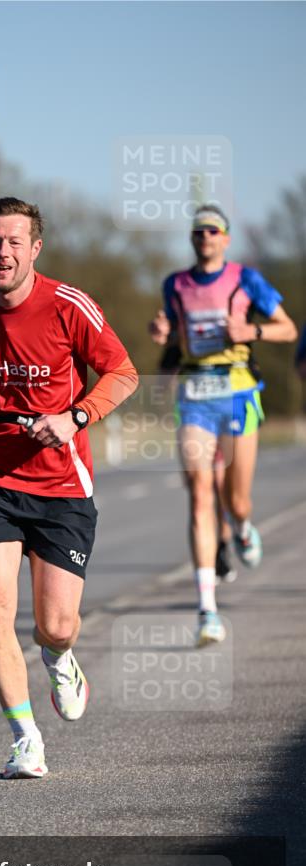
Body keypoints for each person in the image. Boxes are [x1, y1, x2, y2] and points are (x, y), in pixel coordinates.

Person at [0, 196, 138, 778]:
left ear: (35, 248)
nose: (2, 252)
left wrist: (76, 417)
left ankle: (60, 657)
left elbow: (124, 373)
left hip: (63, 479)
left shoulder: (68, 306)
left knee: (55, 624)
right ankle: (25, 738)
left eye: (14, 242)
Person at [149, 204, 297, 646]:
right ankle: (207, 611)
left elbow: (287, 329)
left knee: (237, 502)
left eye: (213, 231)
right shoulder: (174, 284)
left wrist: (250, 332)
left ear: (226, 239)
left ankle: (245, 529)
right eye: (198, 232)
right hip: (195, 394)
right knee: (199, 493)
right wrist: (162, 331)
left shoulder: (246, 279)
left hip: (238, 393)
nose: (205, 238)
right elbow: (175, 333)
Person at [157, 339, 236, 583]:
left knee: (221, 487)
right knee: (199, 491)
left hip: (219, 422)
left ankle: (222, 544)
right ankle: (209, 554)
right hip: (190, 422)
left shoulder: (223, 340)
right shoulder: (177, 344)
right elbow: (162, 383)